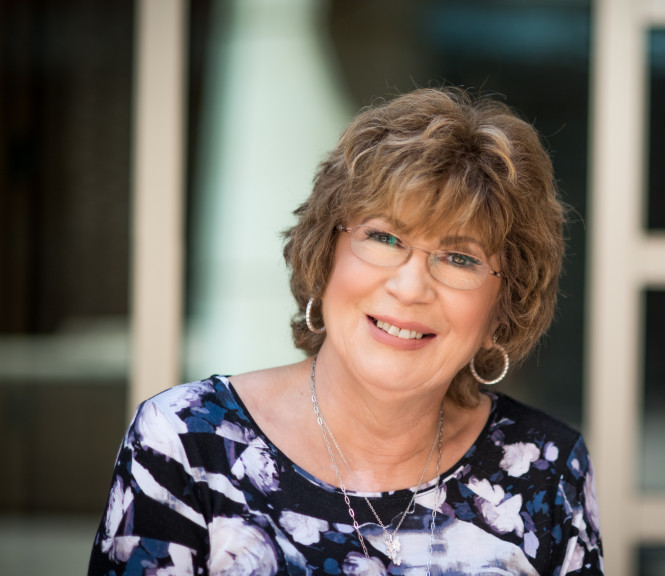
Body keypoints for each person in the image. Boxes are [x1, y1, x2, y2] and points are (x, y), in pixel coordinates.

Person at [88, 87, 603, 575]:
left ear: (501, 312)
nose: (410, 287)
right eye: (385, 237)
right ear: (324, 256)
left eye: (460, 258)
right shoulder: (184, 443)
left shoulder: (549, 471)